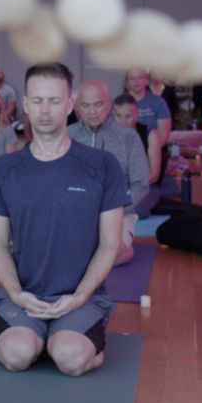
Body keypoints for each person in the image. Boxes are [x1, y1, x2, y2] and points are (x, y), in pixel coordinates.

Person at [0, 63, 130, 377]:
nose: (45, 110)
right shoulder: (5, 168)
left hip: (81, 294)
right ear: (25, 105)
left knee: (71, 359)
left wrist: (80, 296)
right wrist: (15, 293)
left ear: (69, 104)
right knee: (16, 355)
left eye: (54, 100)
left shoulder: (102, 165)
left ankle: (69, 333)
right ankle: (35, 335)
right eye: (37, 101)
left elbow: (109, 243)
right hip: (24, 295)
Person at [69, 81, 152, 265]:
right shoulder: (67, 136)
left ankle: (122, 252)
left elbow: (141, 184)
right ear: (76, 107)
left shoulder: (128, 137)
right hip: (75, 214)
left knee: (108, 255)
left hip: (119, 213)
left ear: (109, 104)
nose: (92, 111)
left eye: (98, 104)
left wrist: (116, 210)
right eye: (86, 105)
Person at [112, 94, 164, 190]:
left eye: (128, 116)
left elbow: (154, 175)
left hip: (145, 188)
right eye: (118, 116)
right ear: (112, 115)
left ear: (136, 115)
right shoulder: (107, 135)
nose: (123, 122)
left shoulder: (150, 134)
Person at [124, 69, 172, 146]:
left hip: (152, 152)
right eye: (132, 78)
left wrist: (150, 152)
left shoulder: (159, 102)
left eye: (140, 78)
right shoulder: (118, 104)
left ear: (146, 81)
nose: (136, 81)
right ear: (127, 82)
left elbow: (163, 136)